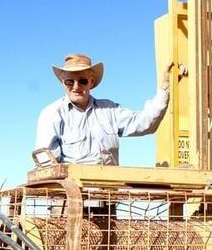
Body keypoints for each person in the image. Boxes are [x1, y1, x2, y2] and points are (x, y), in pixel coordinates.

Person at [34, 53, 174, 166]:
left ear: (91, 82)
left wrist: (164, 88)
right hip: (72, 197)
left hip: (107, 196)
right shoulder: (52, 114)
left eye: (82, 81)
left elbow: (146, 123)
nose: (76, 87)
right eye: (70, 81)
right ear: (63, 82)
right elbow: (47, 164)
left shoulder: (109, 110)